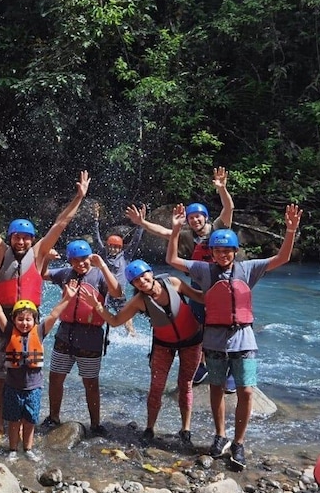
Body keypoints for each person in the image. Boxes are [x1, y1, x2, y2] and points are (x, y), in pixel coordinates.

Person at [166, 202, 303, 470]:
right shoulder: (204, 270)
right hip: (215, 339)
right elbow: (172, 260)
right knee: (216, 389)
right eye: (218, 250)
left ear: (235, 251)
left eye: (228, 250)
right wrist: (174, 230)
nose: (223, 254)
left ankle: (238, 443)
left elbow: (282, 258)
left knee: (247, 392)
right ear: (212, 252)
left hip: (244, 339)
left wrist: (290, 231)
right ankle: (220, 436)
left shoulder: (249, 269)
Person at [0, 165, 91, 443]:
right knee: (0, 378)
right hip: (3, 320)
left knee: (29, 379)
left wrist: (78, 198)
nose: (21, 241)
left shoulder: (41, 252)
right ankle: (0, 428)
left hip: (30, 322)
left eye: (25, 237)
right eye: (16, 237)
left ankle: (27, 426)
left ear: (32, 239)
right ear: (10, 239)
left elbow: (60, 224)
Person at [126, 166, 235, 390]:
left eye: (198, 216)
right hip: (198, 285)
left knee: (227, 326)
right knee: (199, 326)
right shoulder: (186, 235)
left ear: (205, 218)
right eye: (191, 217)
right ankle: (202, 366)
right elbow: (164, 232)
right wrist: (142, 223)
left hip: (221, 284)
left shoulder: (217, 228)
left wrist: (222, 189)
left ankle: (231, 370)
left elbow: (228, 208)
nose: (195, 220)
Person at [88, 259, 204, 448]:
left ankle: (186, 429)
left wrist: (218, 291)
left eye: (143, 276)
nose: (142, 281)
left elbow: (198, 297)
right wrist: (98, 307)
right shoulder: (139, 301)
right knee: (156, 387)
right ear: (133, 285)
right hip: (163, 345)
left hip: (192, 341)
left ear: (151, 272)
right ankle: (150, 428)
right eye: (136, 281)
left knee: (186, 384)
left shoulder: (173, 283)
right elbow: (116, 321)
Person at [0, 275, 76, 462]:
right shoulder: (8, 331)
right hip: (13, 387)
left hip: (33, 388)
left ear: (35, 320)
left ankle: (28, 448)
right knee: (13, 421)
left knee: (30, 421)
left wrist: (67, 298)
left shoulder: (39, 331)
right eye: (20, 319)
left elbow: (54, 314)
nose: (24, 323)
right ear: (14, 320)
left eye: (28, 319)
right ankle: (13, 449)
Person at [42, 240, 121, 436]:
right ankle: (53, 417)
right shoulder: (65, 273)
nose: (80, 264)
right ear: (70, 261)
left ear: (90, 258)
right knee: (55, 378)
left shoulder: (100, 275)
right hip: (65, 333)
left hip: (91, 337)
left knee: (91, 382)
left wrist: (102, 265)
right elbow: (42, 274)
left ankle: (95, 424)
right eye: (75, 260)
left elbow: (117, 292)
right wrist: (45, 258)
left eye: (84, 259)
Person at [92, 203, 144, 336]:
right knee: (99, 313)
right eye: (111, 246)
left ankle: (132, 334)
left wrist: (141, 224)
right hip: (103, 291)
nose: (113, 249)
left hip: (118, 293)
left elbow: (136, 240)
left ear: (120, 248)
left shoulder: (125, 257)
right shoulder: (103, 253)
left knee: (125, 315)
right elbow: (96, 237)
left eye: (116, 247)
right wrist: (96, 221)